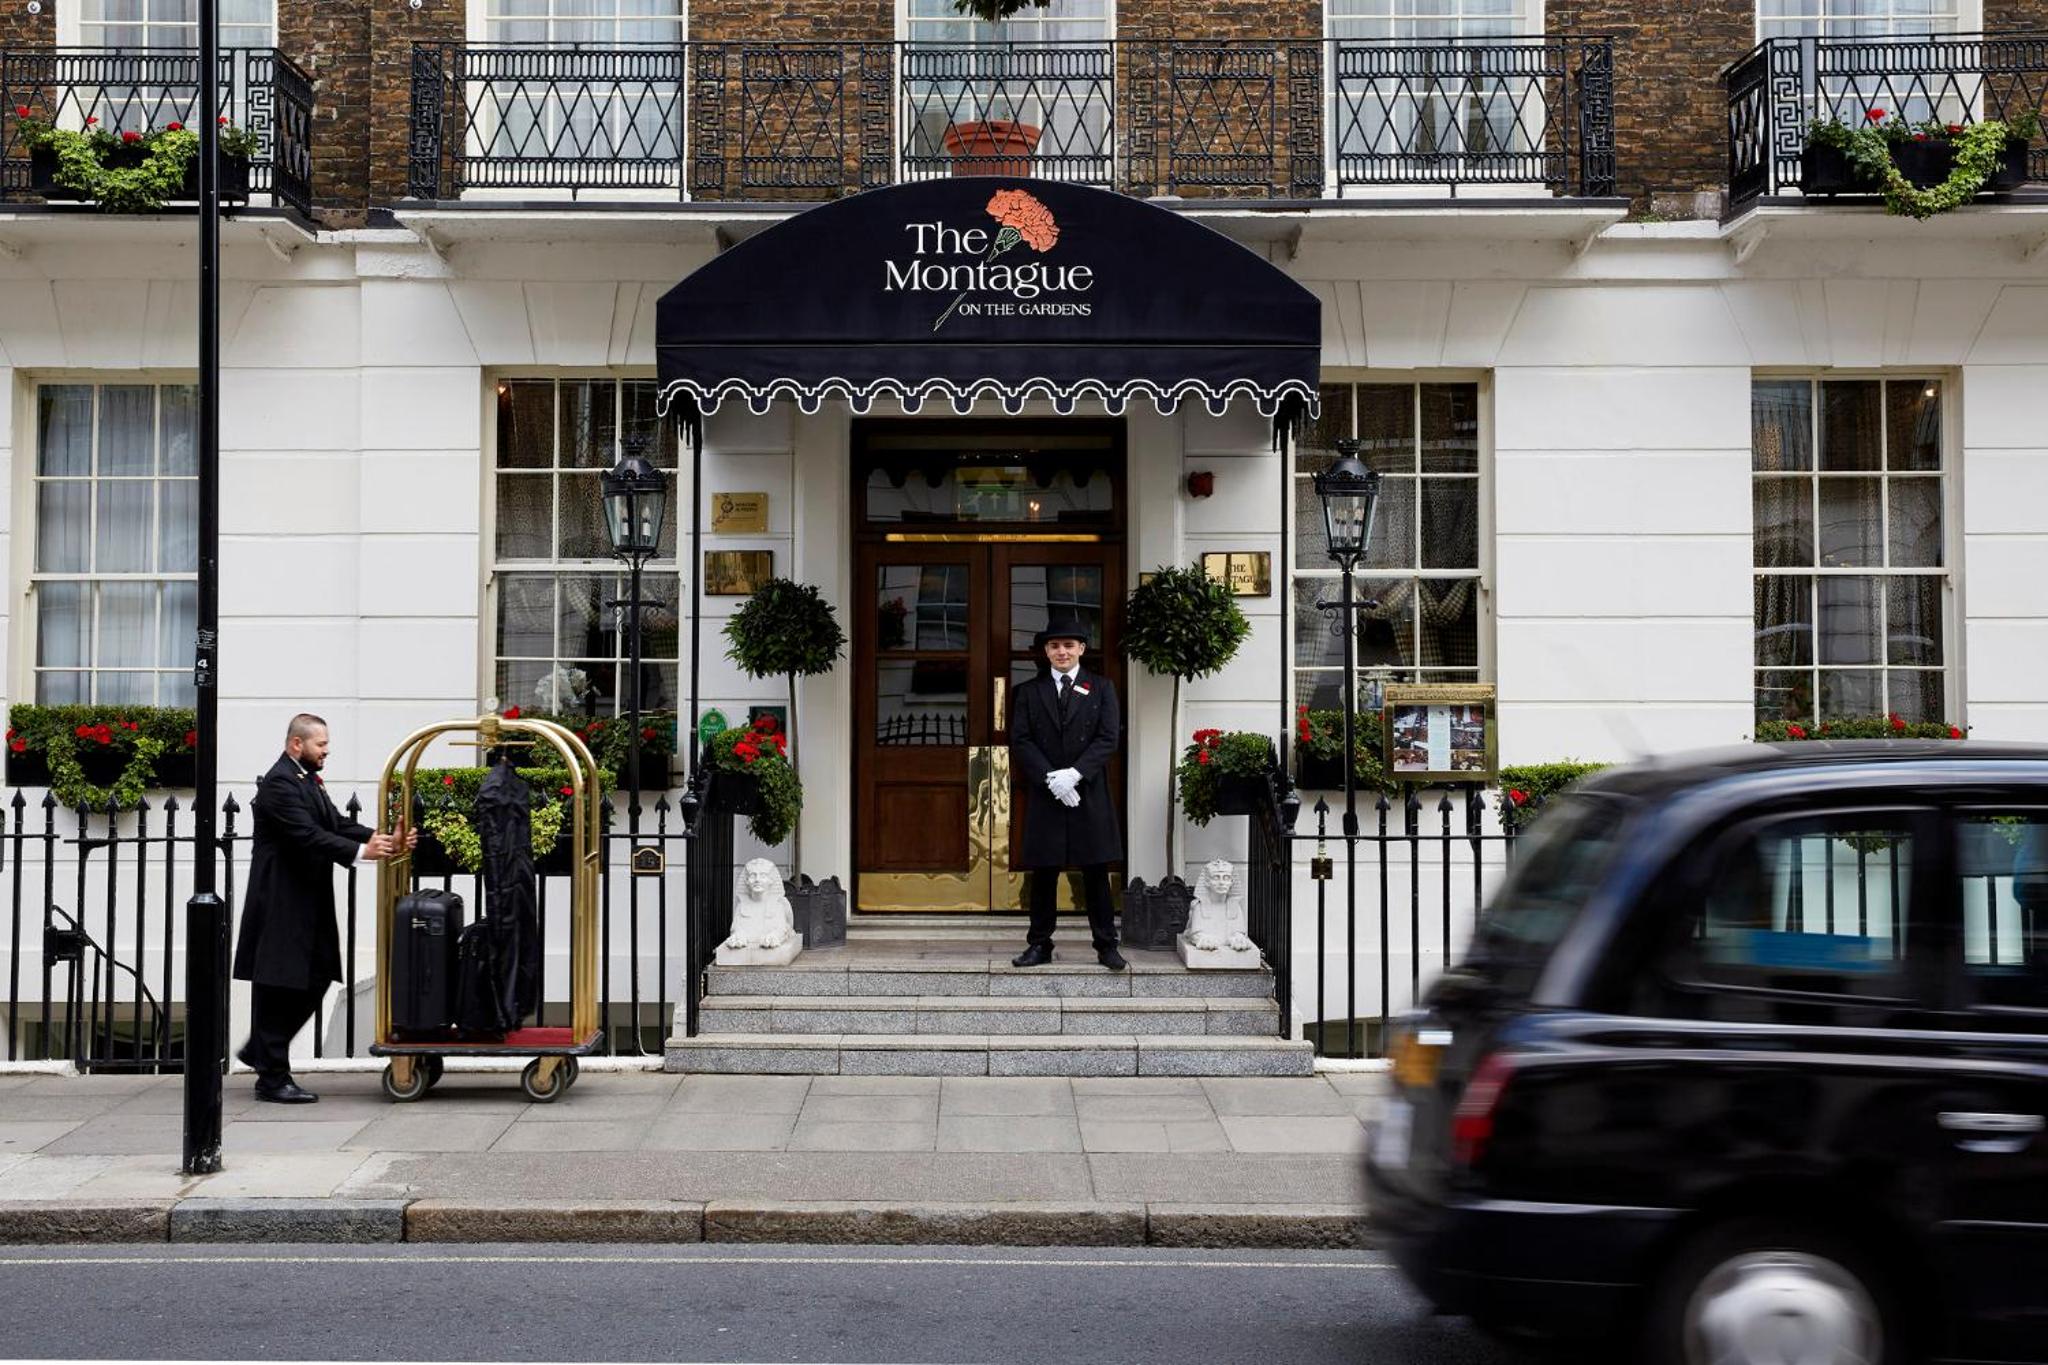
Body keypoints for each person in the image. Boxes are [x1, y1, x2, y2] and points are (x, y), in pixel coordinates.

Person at [232, 714, 411, 1103]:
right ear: (297, 744)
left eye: (326, 744)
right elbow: (306, 834)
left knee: (317, 975)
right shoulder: (280, 783)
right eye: (320, 744)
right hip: (280, 900)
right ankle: (272, 1074)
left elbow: (333, 822)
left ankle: (262, 1049)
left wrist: (380, 839)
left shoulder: (304, 778)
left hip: (306, 898)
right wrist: (363, 852)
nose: (326, 751)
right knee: (279, 983)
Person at [1009, 618, 1125, 971]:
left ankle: (1106, 945)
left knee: (1095, 872)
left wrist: (1074, 775)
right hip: (1047, 795)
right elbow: (1021, 739)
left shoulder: (1102, 687)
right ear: (1046, 652)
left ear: (1081, 650)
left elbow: (1108, 738)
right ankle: (1039, 944)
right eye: (1055, 646)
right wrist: (1052, 780)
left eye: (1069, 646)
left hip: (1088, 793)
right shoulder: (1028, 692)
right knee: (1044, 873)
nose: (1062, 652)